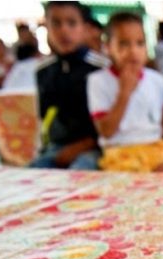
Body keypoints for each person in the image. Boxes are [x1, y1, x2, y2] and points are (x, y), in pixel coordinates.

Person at [87, 12, 163, 173]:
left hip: (155, 148)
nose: (133, 51)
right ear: (107, 47)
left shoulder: (156, 80)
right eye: (124, 44)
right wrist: (124, 93)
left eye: (140, 43)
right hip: (119, 152)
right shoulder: (98, 81)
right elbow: (106, 131)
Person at [30, 1, 109, 170]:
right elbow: (44, 119)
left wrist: (80, 147)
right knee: (31, 176)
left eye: (71, 23)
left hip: (96, 148)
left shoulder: (102, 69)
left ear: (85, 29)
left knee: (79, 174)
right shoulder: (43, 71)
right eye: (56, 23)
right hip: (57, 148)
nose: (63, 30)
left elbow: (111, 122)